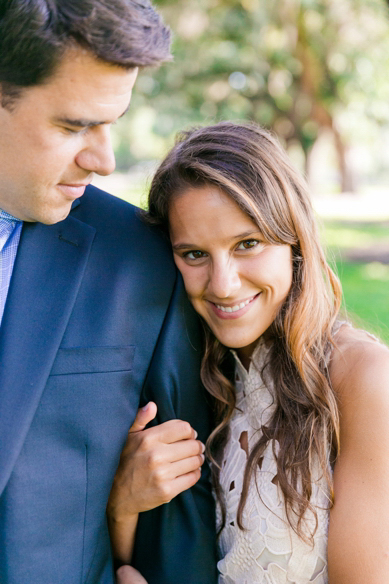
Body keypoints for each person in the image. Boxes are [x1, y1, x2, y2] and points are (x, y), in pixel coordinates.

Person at [114, 121, 389, 583]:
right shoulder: (199, 373)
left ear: (294, 241)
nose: (223, 284)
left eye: (248, 244)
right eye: (195, 254)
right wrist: (123, 502)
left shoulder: (362, 378)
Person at [0, 1, 218, 582]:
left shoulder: (141, 258)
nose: (104, 159)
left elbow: (184, 497)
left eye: (110, 124)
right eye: (73, 126)